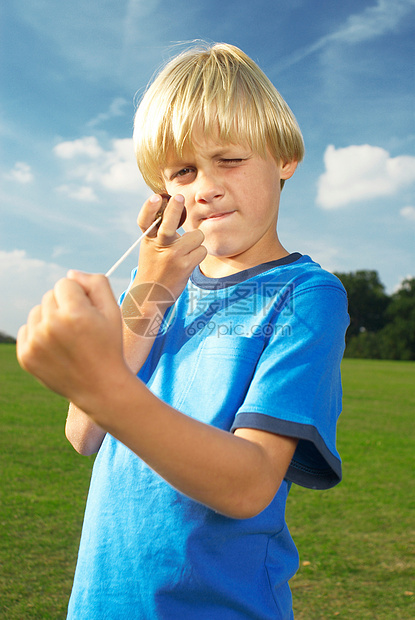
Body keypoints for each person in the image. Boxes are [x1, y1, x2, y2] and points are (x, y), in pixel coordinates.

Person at [17, 43, 349, 619]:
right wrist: (153, 284)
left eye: (229, 159)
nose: (205, 189)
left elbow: (247, 487)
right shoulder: (152, 288)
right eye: (183, 172)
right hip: (103, 603)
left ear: (284, 157)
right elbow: (83, 432)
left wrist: (105, 388)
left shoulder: (305, 295)